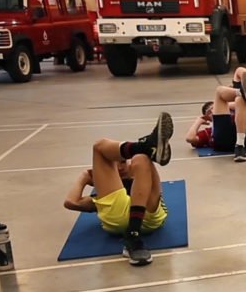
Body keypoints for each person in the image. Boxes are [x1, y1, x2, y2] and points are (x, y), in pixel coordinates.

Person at [63, 113, 174, 266]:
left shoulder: (141, 174)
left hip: (148, 215)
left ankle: (144, 147)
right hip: (132, 218)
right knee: (133, 154)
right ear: (110, 168)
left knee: (138, 157)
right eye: (115, 163)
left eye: (122, 162)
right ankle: (146, 147)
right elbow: (70, 202)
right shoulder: (105, 193)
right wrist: (83, 177)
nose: (120, 167)